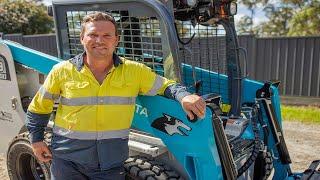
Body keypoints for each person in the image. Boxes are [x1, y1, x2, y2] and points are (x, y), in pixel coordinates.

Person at [26, 12, 206, 180]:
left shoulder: (134, 72)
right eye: (93, 35)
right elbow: (38, 107)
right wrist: (36, 140)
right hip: (67, 163)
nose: (99, 40)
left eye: (106, 36)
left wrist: (184, 96)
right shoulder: (62, 71)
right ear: (82, 38)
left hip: (110, 165)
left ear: (116, 40)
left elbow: (166, 86)